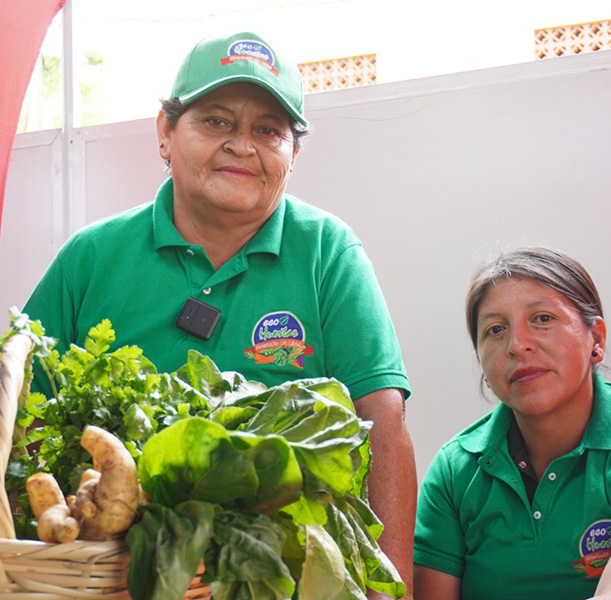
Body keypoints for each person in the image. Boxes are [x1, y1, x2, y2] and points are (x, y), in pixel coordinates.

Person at [23, 31, 416, 599]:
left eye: (268, 131)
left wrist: (389, 591)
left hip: (286, 578)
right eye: (216, 122)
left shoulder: (329, 252)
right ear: (165, 131)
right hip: (112, 577)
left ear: (293, 154)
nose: (242, 145)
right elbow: (20, 422)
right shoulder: (90, 258)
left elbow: (383, 422)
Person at [413, 246, 611, 600]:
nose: (517, 345)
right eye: (495, 329)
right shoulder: (455, 471)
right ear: (480, 359)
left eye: (542, 319)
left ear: (596, 340)